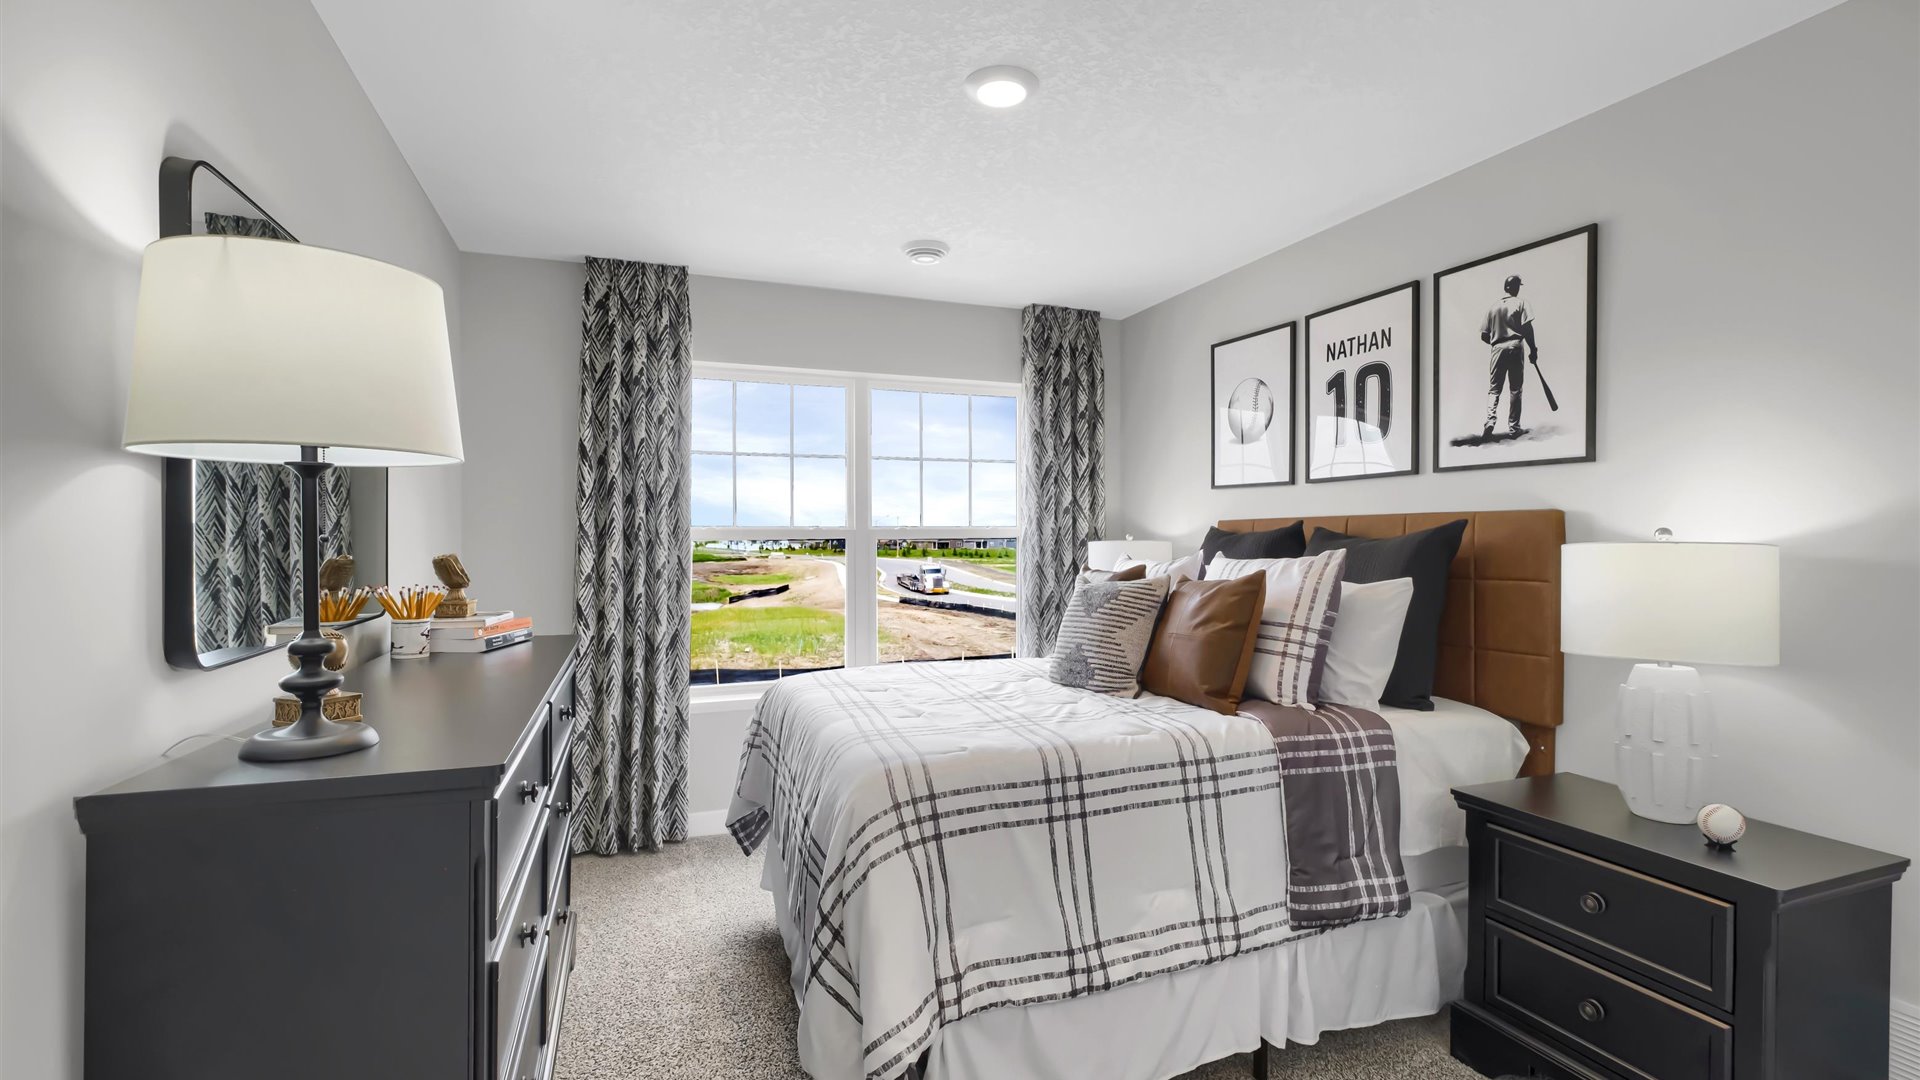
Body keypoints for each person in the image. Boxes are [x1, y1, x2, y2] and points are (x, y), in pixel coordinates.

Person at [1479, 274, 1536, 438]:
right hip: (1515, 345)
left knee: (1494, 389)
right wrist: (1533, 349)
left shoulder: (1493, 307)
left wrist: (1498, 343)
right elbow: (1527, 329)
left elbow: (1484, 335)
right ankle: (1514, 428)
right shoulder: (1521, 302)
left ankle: (1490, 422)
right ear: (1516, 288)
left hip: (1497, 347)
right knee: (1515, 389)